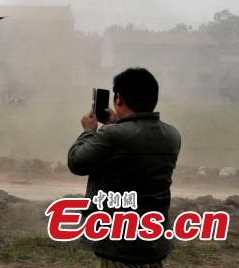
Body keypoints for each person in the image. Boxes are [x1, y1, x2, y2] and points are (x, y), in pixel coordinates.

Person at [68, 67, 181, 267]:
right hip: (153, 240)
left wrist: (89, 130)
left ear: (119, 99)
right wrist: (118, 121)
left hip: (119, 246)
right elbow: (137, 138)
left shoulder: (112, 135)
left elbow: (77, 162)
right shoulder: (172, 135)